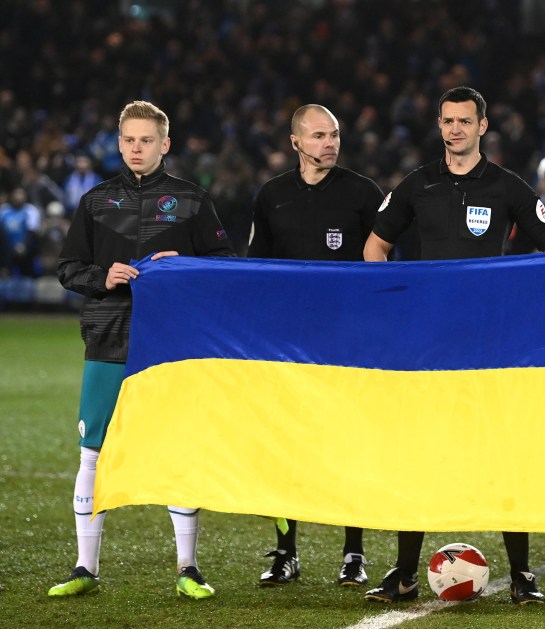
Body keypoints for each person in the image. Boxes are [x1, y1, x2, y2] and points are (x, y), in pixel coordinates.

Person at [363, 86, 545, 605]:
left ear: (483, 126)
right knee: (420, 455)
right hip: (427, 348)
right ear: (440, 125)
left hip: (489, 347)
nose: (456, 129)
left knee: (502, 454)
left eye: (465, 121)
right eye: (448, 121)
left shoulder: (507, 187)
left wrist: (520, 307)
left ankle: (522, 576)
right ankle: (404, 575)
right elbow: (374, 248)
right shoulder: (417, 184)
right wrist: (399, 307)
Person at [52, 100, 234, 599]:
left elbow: (225, 265)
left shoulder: (192, 200)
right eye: (129, 140)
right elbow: (68, 268)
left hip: (172, 344)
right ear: (119, 143)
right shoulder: (94, 202)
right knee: (93, 452)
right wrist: (102, 276)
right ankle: (84, 568)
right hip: (108, 337)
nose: (137, 148)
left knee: (179, 449)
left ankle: (188, 568)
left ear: (165, 145)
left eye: (147, 140)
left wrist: (187, 264)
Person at [248, 104, 384, 588]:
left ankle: (354, 553)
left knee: (348, 443)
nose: (330, 143)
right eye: (320, 135)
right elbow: (256, 272)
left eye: (335, 135)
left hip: (348, 343)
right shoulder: (272, 196)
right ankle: (286, 552)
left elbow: (385, 268)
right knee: (286, 446)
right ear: (296, 142)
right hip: (287, 344)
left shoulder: (363, 194)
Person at [0, 187, 42, 277]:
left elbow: (32, 231)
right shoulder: (4, 210)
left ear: (25, 197)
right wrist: (10, 247)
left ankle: (28, 276)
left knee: (31, 245)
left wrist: (23, 246)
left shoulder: (30, 210)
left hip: (25, 248)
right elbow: (2, 231)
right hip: (7, 248)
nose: (18, 198)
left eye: (20, 195)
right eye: (16, 195)